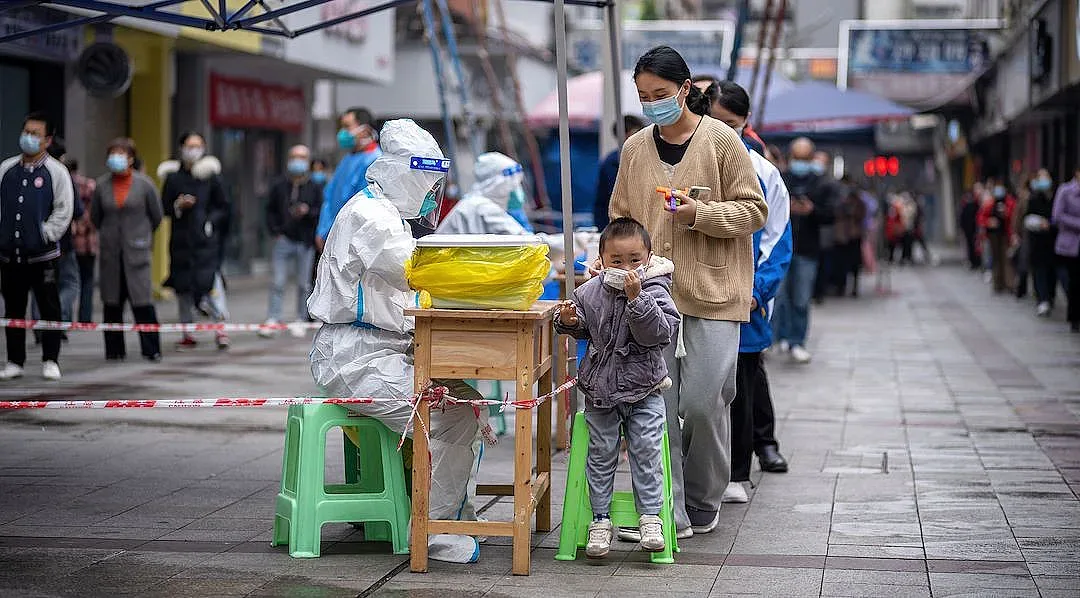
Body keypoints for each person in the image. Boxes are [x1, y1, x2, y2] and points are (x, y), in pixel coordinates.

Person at [608, 46, 767, 539]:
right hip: (652, 297)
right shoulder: (634, 149)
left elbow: (754, 211)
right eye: (643, 96)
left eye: (661, 93)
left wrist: (700, 214)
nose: (653, 103)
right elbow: (620, 216)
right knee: (656, 407)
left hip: (715, 293)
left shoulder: (722, 142)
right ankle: (666, 512)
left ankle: (703, 498)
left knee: (702, 403)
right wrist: (611, 261)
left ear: (685, 89)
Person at [308, 119, 484, 563]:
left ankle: (451, 515)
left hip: (378, 352)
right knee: (450, 416)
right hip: (356, 360)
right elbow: (421, 270)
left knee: (464, 400)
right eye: (427, 184)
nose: (431, 195)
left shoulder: (388, 215)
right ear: (406, 175)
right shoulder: (373, 218)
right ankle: (433, 531)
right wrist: (493, 272)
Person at [554, 217, 679, 557]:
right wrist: (568, 321)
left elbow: (659, 335)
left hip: (645, 389)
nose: (626, 268)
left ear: (649, 258)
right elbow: (580, 327)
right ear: (602, 259)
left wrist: (638, 300)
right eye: (617, 261)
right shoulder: (589, 291)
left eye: (634, 260)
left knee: (647, 451)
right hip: (600, 391)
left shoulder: (656, 290)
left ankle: (651, 516)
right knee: (601, 454)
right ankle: (599, 519)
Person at [701, 80, 792, 505]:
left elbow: (778, 242)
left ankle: (738, 470)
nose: (723, 132)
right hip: (696, 292)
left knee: (740, 382)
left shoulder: (765, 173)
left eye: (731, 124)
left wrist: (757, 290)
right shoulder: (691, 163)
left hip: (745, 298)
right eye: (715, 122)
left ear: (745, 123)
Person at [0, 112, 73, 381]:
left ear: (47, 140)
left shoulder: (57, 172)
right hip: (10, 255)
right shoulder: (7, 169)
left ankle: (51, 358)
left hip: (43, 256)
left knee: (48, 308)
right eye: (26, 132)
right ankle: (15, 361)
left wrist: (45, 234)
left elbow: (64, 210)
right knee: (13, 309)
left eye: (35, 134)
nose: (28, 138)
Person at [158, 131, 232, 350]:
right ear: (181, 148)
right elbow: (164, 207)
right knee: (182, 288)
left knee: (211, 283)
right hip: (181, 241)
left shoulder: (211, 176)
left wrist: (210, 222)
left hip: (206, 242)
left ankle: (221, 329)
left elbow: (224, 206)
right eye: (189, 145)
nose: (193, 150)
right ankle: (187, 332)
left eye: (198, 145)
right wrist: (178, 206)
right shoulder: (173, 177)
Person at [92, 138, 163, 361]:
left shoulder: (145, 184)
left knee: (143, 303)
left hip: (137, 252)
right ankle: (114, 350)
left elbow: (157, 216)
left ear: (131, 158)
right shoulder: (101, 185)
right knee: (112, 304)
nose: (116, 158)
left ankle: (151, 349)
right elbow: (96, 217)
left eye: (121, 154)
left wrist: (141, 236)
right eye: (113, 154)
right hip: (111, 253)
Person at [773, 138, 834, 364]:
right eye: (797, 157)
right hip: (781, 247)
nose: (801, 162)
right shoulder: (781, 179)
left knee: (800, 298)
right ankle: (780, 337)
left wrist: (812, 210)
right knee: (779, 297)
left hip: (808, 249)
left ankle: (797, 341)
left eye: (805, 158)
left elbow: (831, 214)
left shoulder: (821, 183)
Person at [260, 145, 321, 337]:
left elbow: (320, 210)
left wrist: (308, 212)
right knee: (277, 281)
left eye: (302, 157)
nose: (297, 161)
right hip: (284, 239)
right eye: (294, 157)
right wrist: (275, 230)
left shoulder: (314, 187)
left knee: (304, 283)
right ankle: (273, 317)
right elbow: (269, 209)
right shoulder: (280, 185)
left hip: (305, 241)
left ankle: (301, 319)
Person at [30, 137, 83, 345]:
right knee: (70, 283)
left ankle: (39, 326)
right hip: (62, 243)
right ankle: (56, 317)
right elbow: (77, 210)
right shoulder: (63, 175)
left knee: (39, 286)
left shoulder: (30, 175)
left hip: (35, 243)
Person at [315, 107, 381, 250]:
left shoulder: (375, 162)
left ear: (365, 130)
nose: (342, 133)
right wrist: (324, 230)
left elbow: (363, 207)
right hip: (335, 236)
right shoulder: (348, 159)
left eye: (347, 127)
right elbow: (330, 196)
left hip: (354, 241)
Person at [438, 152, 530, 235]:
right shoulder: (482, 206)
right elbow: (525, 240)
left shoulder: (473, 201)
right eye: (513, 184)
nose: (516, 190)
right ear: (496, 183)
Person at [594, 116, 646, 230]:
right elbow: (602, 201)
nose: (632, 139)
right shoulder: (611, 162)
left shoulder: (650, 157)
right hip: (620, 226)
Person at [67, 154, 98, 323]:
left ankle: (65, 319)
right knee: (87, 282)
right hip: (88, 243)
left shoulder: (61, 183)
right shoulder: (89, 185)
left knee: (68, 283)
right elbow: (95, 215)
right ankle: (85, 319)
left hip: (68, 243)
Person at [1023, 170, 1059, 317]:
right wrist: (1039, 223)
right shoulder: (1033, 198)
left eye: (1046, 177)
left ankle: (1050, 297)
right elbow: (1027, 219)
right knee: (1040, 271)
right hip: (1037, 243)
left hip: (1053, 242)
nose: (1043, 180)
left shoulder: (1056, 197)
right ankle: (1042, 299)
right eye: (1040, 177)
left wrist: (1051, 224)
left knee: (1052, 273)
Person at [1052, 166, 1080, 332]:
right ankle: (1074, 317)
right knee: (1073, 281)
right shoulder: (1065, 191)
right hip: (1070, 244)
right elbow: (1057, 216)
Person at [978, 178, 1017, 293]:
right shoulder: (990, 203)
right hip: (993, 235)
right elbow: (981, 218)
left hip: (1006, 234)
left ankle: (1009, 284)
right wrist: (989, 222)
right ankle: (998, 284)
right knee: (996, 259)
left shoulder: (1009, 202)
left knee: (1006, 259)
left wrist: (1006, 213)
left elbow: (1013, 217)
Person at [831, 178, 868, 297]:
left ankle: (854, 287)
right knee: (840, 263)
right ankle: (840, 286)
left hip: (854, 236)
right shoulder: (838, 200)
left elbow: (861, 215)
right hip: (841, 236)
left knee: (855, 264)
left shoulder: (859, 202)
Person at [959, 183, 984, 271]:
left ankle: (977, 262)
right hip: (968, 230)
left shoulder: (976, 204)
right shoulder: (966, 204)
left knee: (976, 246)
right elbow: (962, 217)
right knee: (970, 246)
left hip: (974, 229)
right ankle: (973, 262)